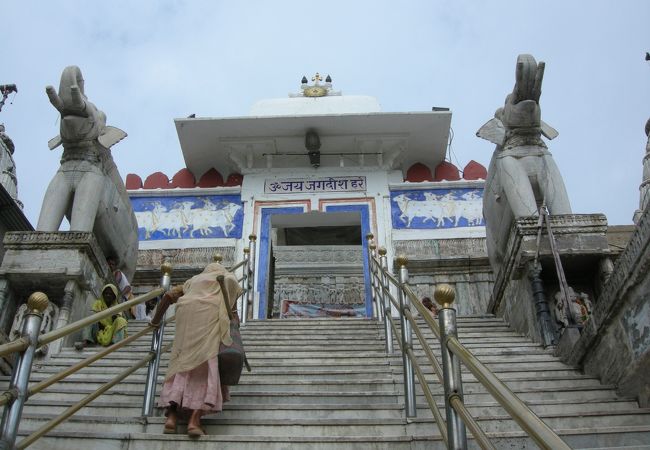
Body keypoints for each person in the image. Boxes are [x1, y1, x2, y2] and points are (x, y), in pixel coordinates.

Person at [151, 262, 242, 437]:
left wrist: (155, 321)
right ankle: (194, 421)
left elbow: (168, 296)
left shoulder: (192, 281)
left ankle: (171, 417)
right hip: (209, 326)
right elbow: (234, 316)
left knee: (180, 368)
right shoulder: (227, 280)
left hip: (186, 325)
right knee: (206, 368)